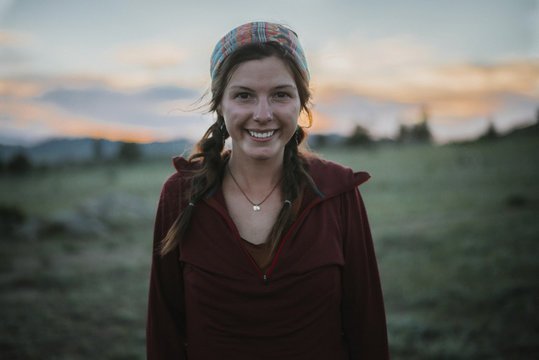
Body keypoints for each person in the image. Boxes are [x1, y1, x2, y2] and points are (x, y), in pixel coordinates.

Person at [146, 21, 389, 359]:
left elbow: (368, 329)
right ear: (220, 105)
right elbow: (164, 332)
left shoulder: (337, 192)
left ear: (300, 104)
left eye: (280, 95)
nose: (263, 114)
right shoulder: (181, 194)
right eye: (244, 95)